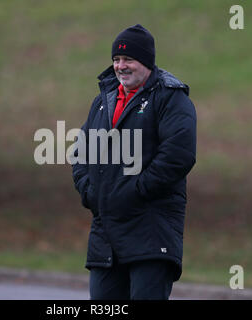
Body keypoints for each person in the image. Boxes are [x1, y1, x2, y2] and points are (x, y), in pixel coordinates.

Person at [71, 24, 197, 300]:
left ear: (147, 62)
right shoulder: (103, 100)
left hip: (152, 233)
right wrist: (91, 192)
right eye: (116, 59)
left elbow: (178, 155)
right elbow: (81, 152)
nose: (120, 66)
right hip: (106, 237)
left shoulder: (170, 98)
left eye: (129, 59)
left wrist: (135, 191)